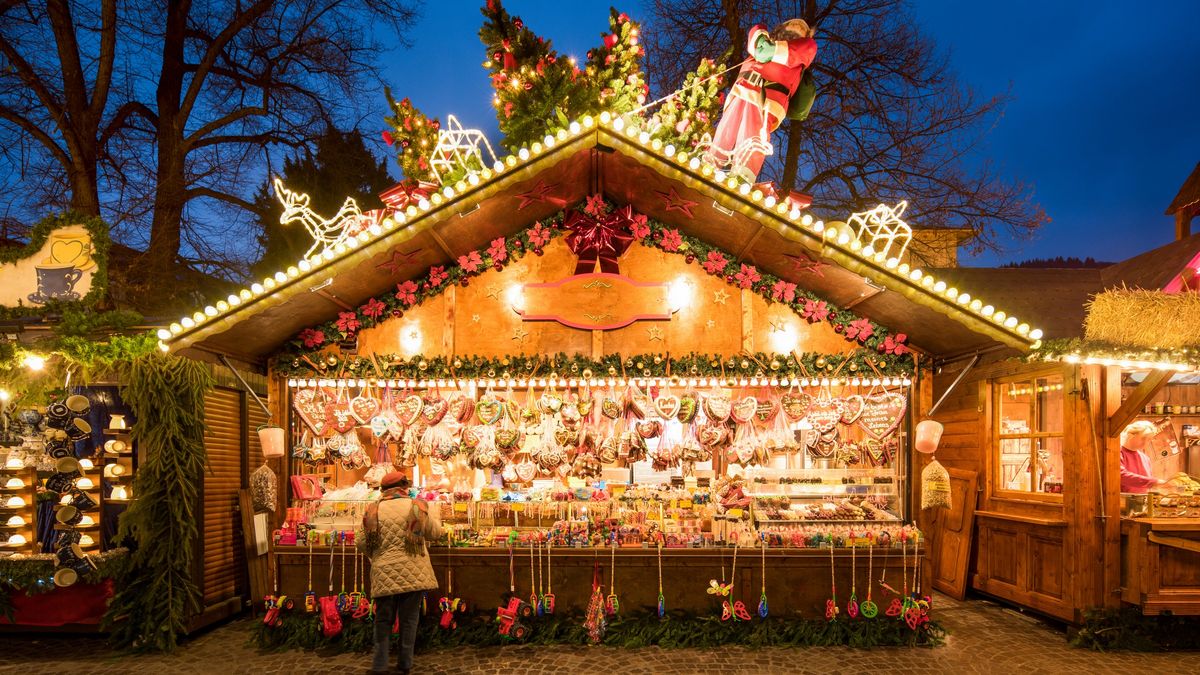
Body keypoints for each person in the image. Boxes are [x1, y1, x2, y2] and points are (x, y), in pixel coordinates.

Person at [706, 18, 817, 182]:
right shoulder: (767, 39)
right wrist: (763, 42)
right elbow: (756, 34)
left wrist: (772, 50)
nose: (797, 26)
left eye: (802, 27)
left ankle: (743, 176)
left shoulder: (805, 48)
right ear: (783, 26)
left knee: (754, 132)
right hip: (743, 88)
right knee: (727, 126)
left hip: (770, 97)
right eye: (793, 23)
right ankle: (711, 163)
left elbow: (802, 51)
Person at [360, 472, 441, 674]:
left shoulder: (373, 509)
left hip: (383, 572)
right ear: (404, 488)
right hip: (413, 572)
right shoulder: (418, 506)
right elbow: (435, 533)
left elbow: (361, 542)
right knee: (409, 620)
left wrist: (377, 554)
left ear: (383, 490)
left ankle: (379, 665)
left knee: (383, 620)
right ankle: (405, 664)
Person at [1119, 420, 1164, 494]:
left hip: (1142, 502)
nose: (1146, 442)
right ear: (1130, 435)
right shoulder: (1117, 453)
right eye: (1143, 438)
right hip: (1121, 502)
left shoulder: (1145, 458)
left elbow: (1146, 485)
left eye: (1149, 440)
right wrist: (1154, 482)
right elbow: (1121, 476)